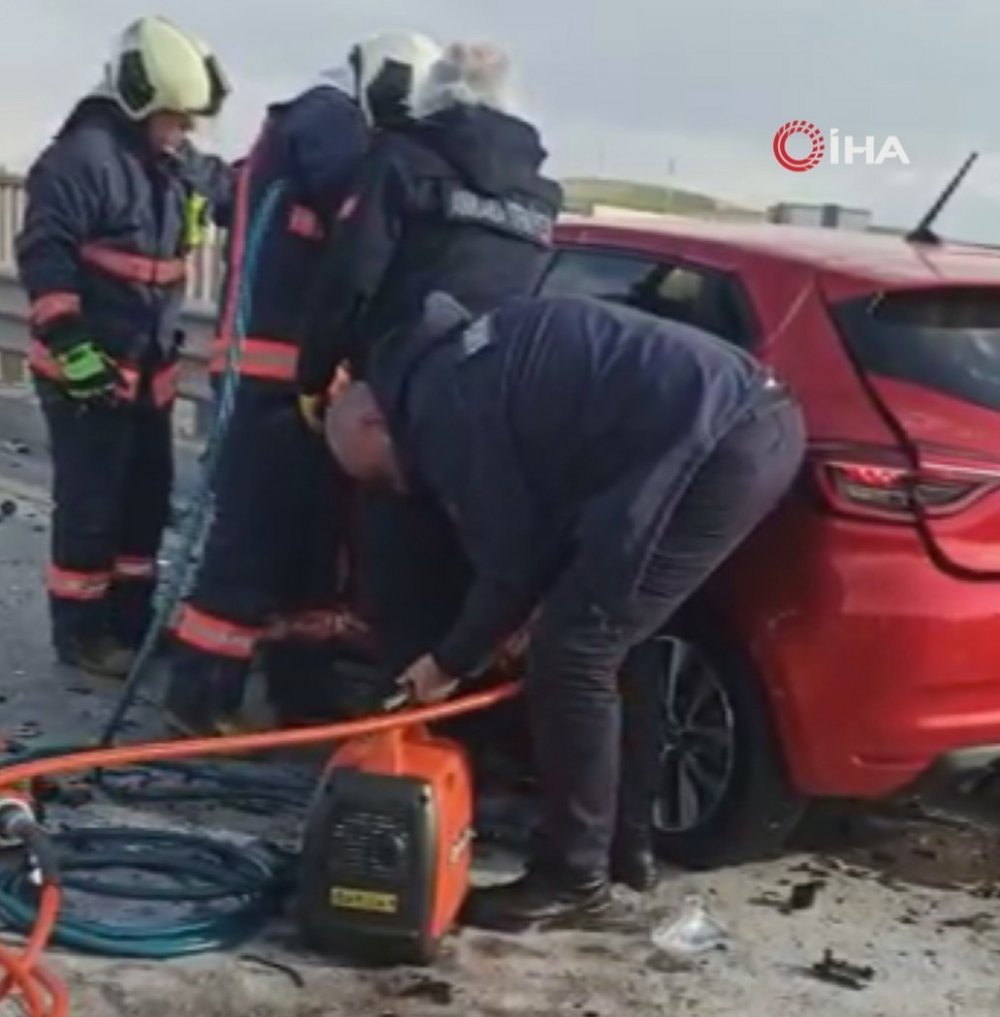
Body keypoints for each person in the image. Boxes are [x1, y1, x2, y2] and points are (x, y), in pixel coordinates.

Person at [322, 293, 807, 930]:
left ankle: (574, 880)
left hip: (718, 442)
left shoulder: (442, 409)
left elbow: (510, 561)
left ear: (372, 426)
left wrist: (447, 662)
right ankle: (623, 846)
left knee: (576, 653)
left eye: (381, 476)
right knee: (611, 639)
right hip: (732, 425)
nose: (400, 489)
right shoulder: (459, 364)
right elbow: (544, 527)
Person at [164, 31, 443, 736]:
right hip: (268, 376)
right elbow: (360, 201)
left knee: (311, 544)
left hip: (306, 378)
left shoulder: (329, 122)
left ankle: (304, 693)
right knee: (251, 539)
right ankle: (199, 695)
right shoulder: (325, 116)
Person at [295, 42, 563, 702]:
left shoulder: (402, 161)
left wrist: (313, 374)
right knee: (473, 561)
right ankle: (471, 735)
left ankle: (401, 730)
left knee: (399, 566)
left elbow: (351, 278)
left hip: (406, 390)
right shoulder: (541, 192)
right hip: (506, 397)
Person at [16, 15, 234, 677]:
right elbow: (45, 259)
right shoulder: (80, 161)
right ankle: (81, 634)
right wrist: (77, 351)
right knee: (91, 508)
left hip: (150, 371)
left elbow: (230, 191)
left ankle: (131, 626)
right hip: (89, 371)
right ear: (140, 101)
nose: (183, 130)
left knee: (144, 504)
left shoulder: (167, 162)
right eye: (173, 117)